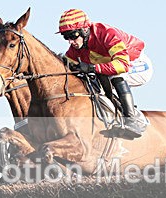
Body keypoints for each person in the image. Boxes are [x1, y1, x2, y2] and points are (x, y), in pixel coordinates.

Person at [57, 8, 153, 138]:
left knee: (115, 75)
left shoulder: (107, 34)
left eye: (73, 35)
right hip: (111, 67)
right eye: (66, 37)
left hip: (137, 64)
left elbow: (122, 65)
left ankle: (133, 120)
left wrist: (92, 68)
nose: (70, 41)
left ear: (84, 30)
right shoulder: (76, 49)